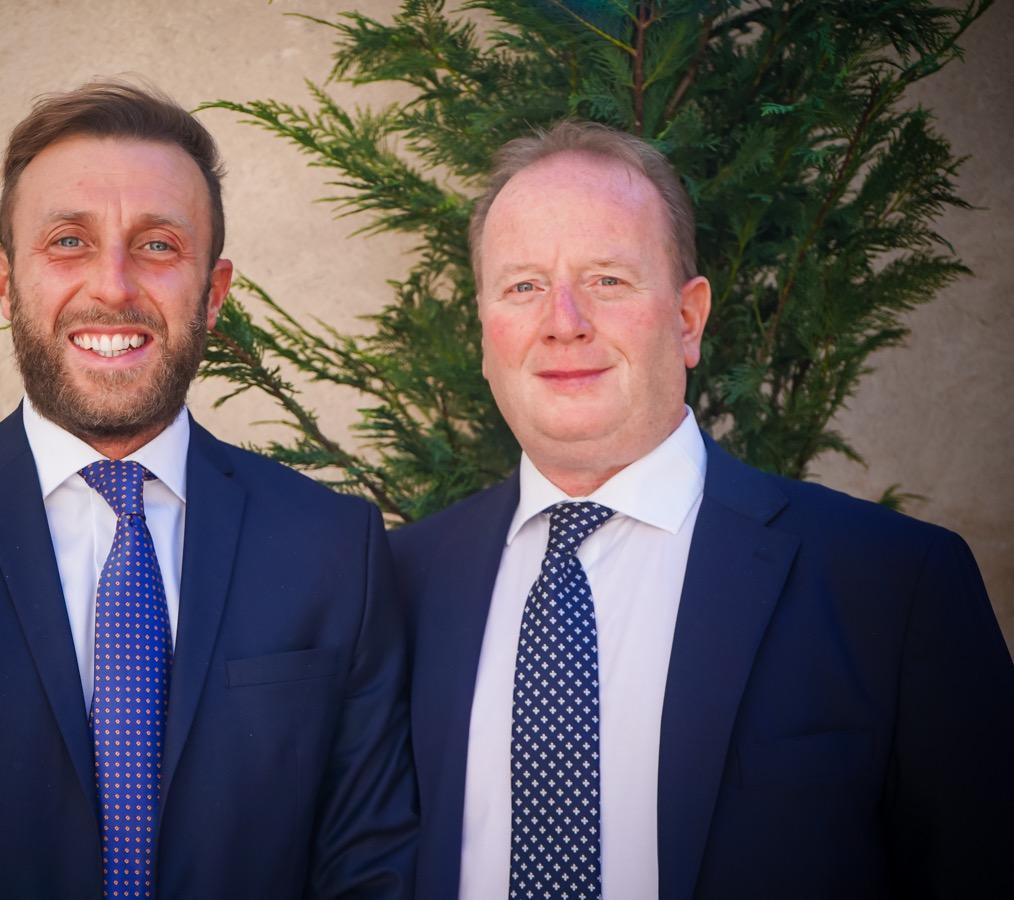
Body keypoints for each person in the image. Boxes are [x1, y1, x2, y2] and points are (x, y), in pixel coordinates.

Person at [0, 80, 416, 900]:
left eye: (158, 244)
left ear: (214, 293)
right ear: (4, 281)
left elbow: (369, 871)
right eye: (68, 241)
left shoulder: (335, 550)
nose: (113, 286)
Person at [391, 119, 1014, 899]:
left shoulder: (892, 585)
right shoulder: (400, 586)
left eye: (607, 280)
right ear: (484, 332)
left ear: (687, 320)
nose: (563, 320)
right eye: (523, 287)